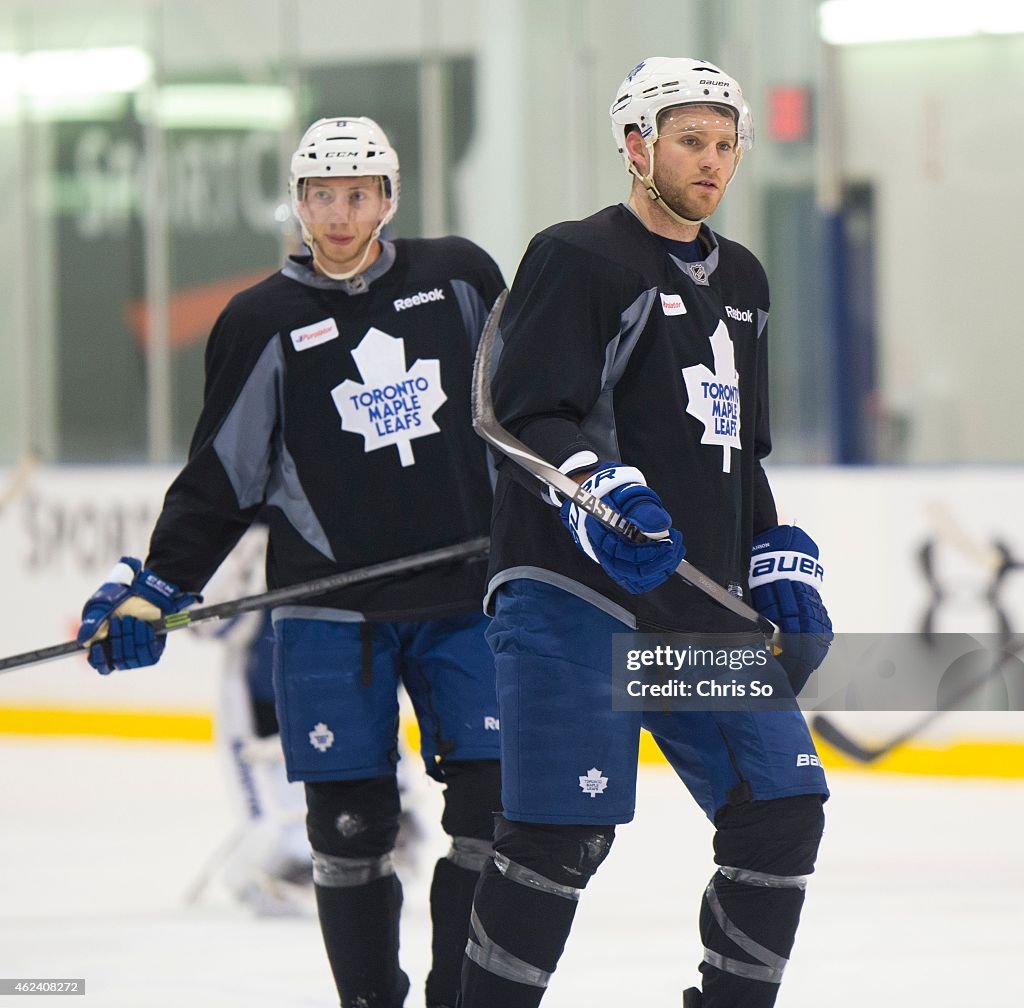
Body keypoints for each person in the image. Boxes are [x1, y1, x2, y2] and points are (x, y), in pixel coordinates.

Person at [76, 116, 505, 1008]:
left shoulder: (460, 278)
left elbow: (527, 412)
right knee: (351, 834)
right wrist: (154, 590)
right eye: (321, 196)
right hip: (328, 615)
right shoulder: (261, 319)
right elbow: (221, 481)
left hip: (464, 600)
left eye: (357, 195)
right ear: (298, 201)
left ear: (389, 198)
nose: (339, 215)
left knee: (494, 816)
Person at [459, 58, 832, 1008]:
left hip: (687, 609)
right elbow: (517, 415)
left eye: (724, 144)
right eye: (690, 142)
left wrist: (773, 552)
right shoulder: (579, 255)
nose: (713, 162)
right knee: (559, 835)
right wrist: (597, 490)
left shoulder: (741, 278)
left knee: (780, 808)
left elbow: (738, 451)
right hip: (571, 593)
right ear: (636, 146)